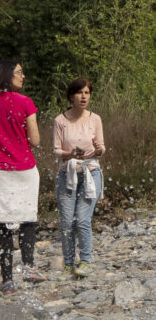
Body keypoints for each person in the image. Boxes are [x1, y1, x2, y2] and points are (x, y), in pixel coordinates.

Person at [0, 59, 45, 295]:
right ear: (7, 75)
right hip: (25, 169)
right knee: (27, 218)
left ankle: (7, 280)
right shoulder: (26, 102)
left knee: (3, 224)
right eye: (19, 72)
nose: (23, 76)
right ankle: (29, 267)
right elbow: (35, 140)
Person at [53, 78, 105, 279]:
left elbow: (101, 147)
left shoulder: (95, 119)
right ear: (71, 96)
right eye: (79, 93)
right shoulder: (60, 121)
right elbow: (56, 150)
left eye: (87, 93)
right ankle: (68, 264)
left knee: (82, 219)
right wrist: (70, 153)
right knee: (67, 222)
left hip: (91, 172)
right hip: (67, 174)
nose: (83, 97)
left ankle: (86, 261)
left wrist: (99, 150)